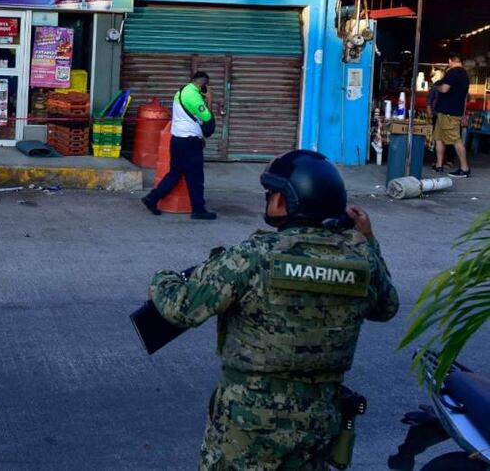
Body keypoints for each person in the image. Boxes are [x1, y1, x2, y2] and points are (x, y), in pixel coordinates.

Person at [148, 150, 398, 470]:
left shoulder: (255, 257)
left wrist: (163, 279)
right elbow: (387, 307)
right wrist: (368, 239)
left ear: (286, 201)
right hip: (318, 422)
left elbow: (181, 309)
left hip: (249, 424)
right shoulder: (360, 261)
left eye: (273, 193)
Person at [142, 71, 217, 220]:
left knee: (175, 173)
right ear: (202, 84)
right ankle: (198, 210)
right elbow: (208, 119)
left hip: (177, 140)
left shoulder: (182, 91)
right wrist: (209, 99)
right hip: (189, 142)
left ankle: (152, 198)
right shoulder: (193, 96)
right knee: (195, 176)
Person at [431, 53, 470, 177]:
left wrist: (435, 86)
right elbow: (464, 98)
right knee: (438, 138)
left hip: (449, 113)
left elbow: (444, 89)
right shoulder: (464, 74)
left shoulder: (453, 72)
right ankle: (439, 165)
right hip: (451, 112)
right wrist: (463, 114)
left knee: (456, 140)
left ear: (450, 60)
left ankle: (464, 169)